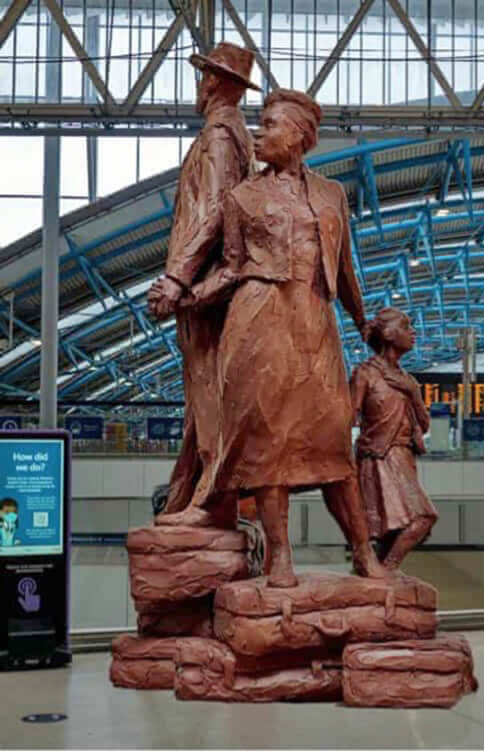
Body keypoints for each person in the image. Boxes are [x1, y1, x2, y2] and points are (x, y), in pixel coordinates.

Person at [176, 88, 387, 586]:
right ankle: (279, 556)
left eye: (269, 124)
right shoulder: (243, 196)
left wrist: (362, 321)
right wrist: (186, 293)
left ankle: (363, 551)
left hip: (316, 323)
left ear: (299, 136)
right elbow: (231, 268)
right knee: (269, 446)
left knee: (333, 442)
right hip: (259, 323)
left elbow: (345, 268)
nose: (259, 133)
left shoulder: (332, 194)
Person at [148, 43, 259, 525]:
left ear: (215, 82)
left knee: (207, 387)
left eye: (204, 77)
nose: (200, 85)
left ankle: (209, 494)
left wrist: (178, 277)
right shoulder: (231, 135)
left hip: (205, 288)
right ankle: (186, 490)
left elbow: (215, 209)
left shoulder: (218, 135)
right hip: (207, 284)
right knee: (201, 394)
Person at [350, 308, 438, 569]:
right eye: (406, 326)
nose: (413, 332)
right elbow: (348, 415)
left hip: (404, 456)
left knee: (398, 525)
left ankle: (379, 572)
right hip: (378, 457)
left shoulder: (408, 380)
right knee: (422, 516)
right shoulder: (365, 373)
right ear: (388, 335)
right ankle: (387, 568)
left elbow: (424, 424)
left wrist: (414, 394)